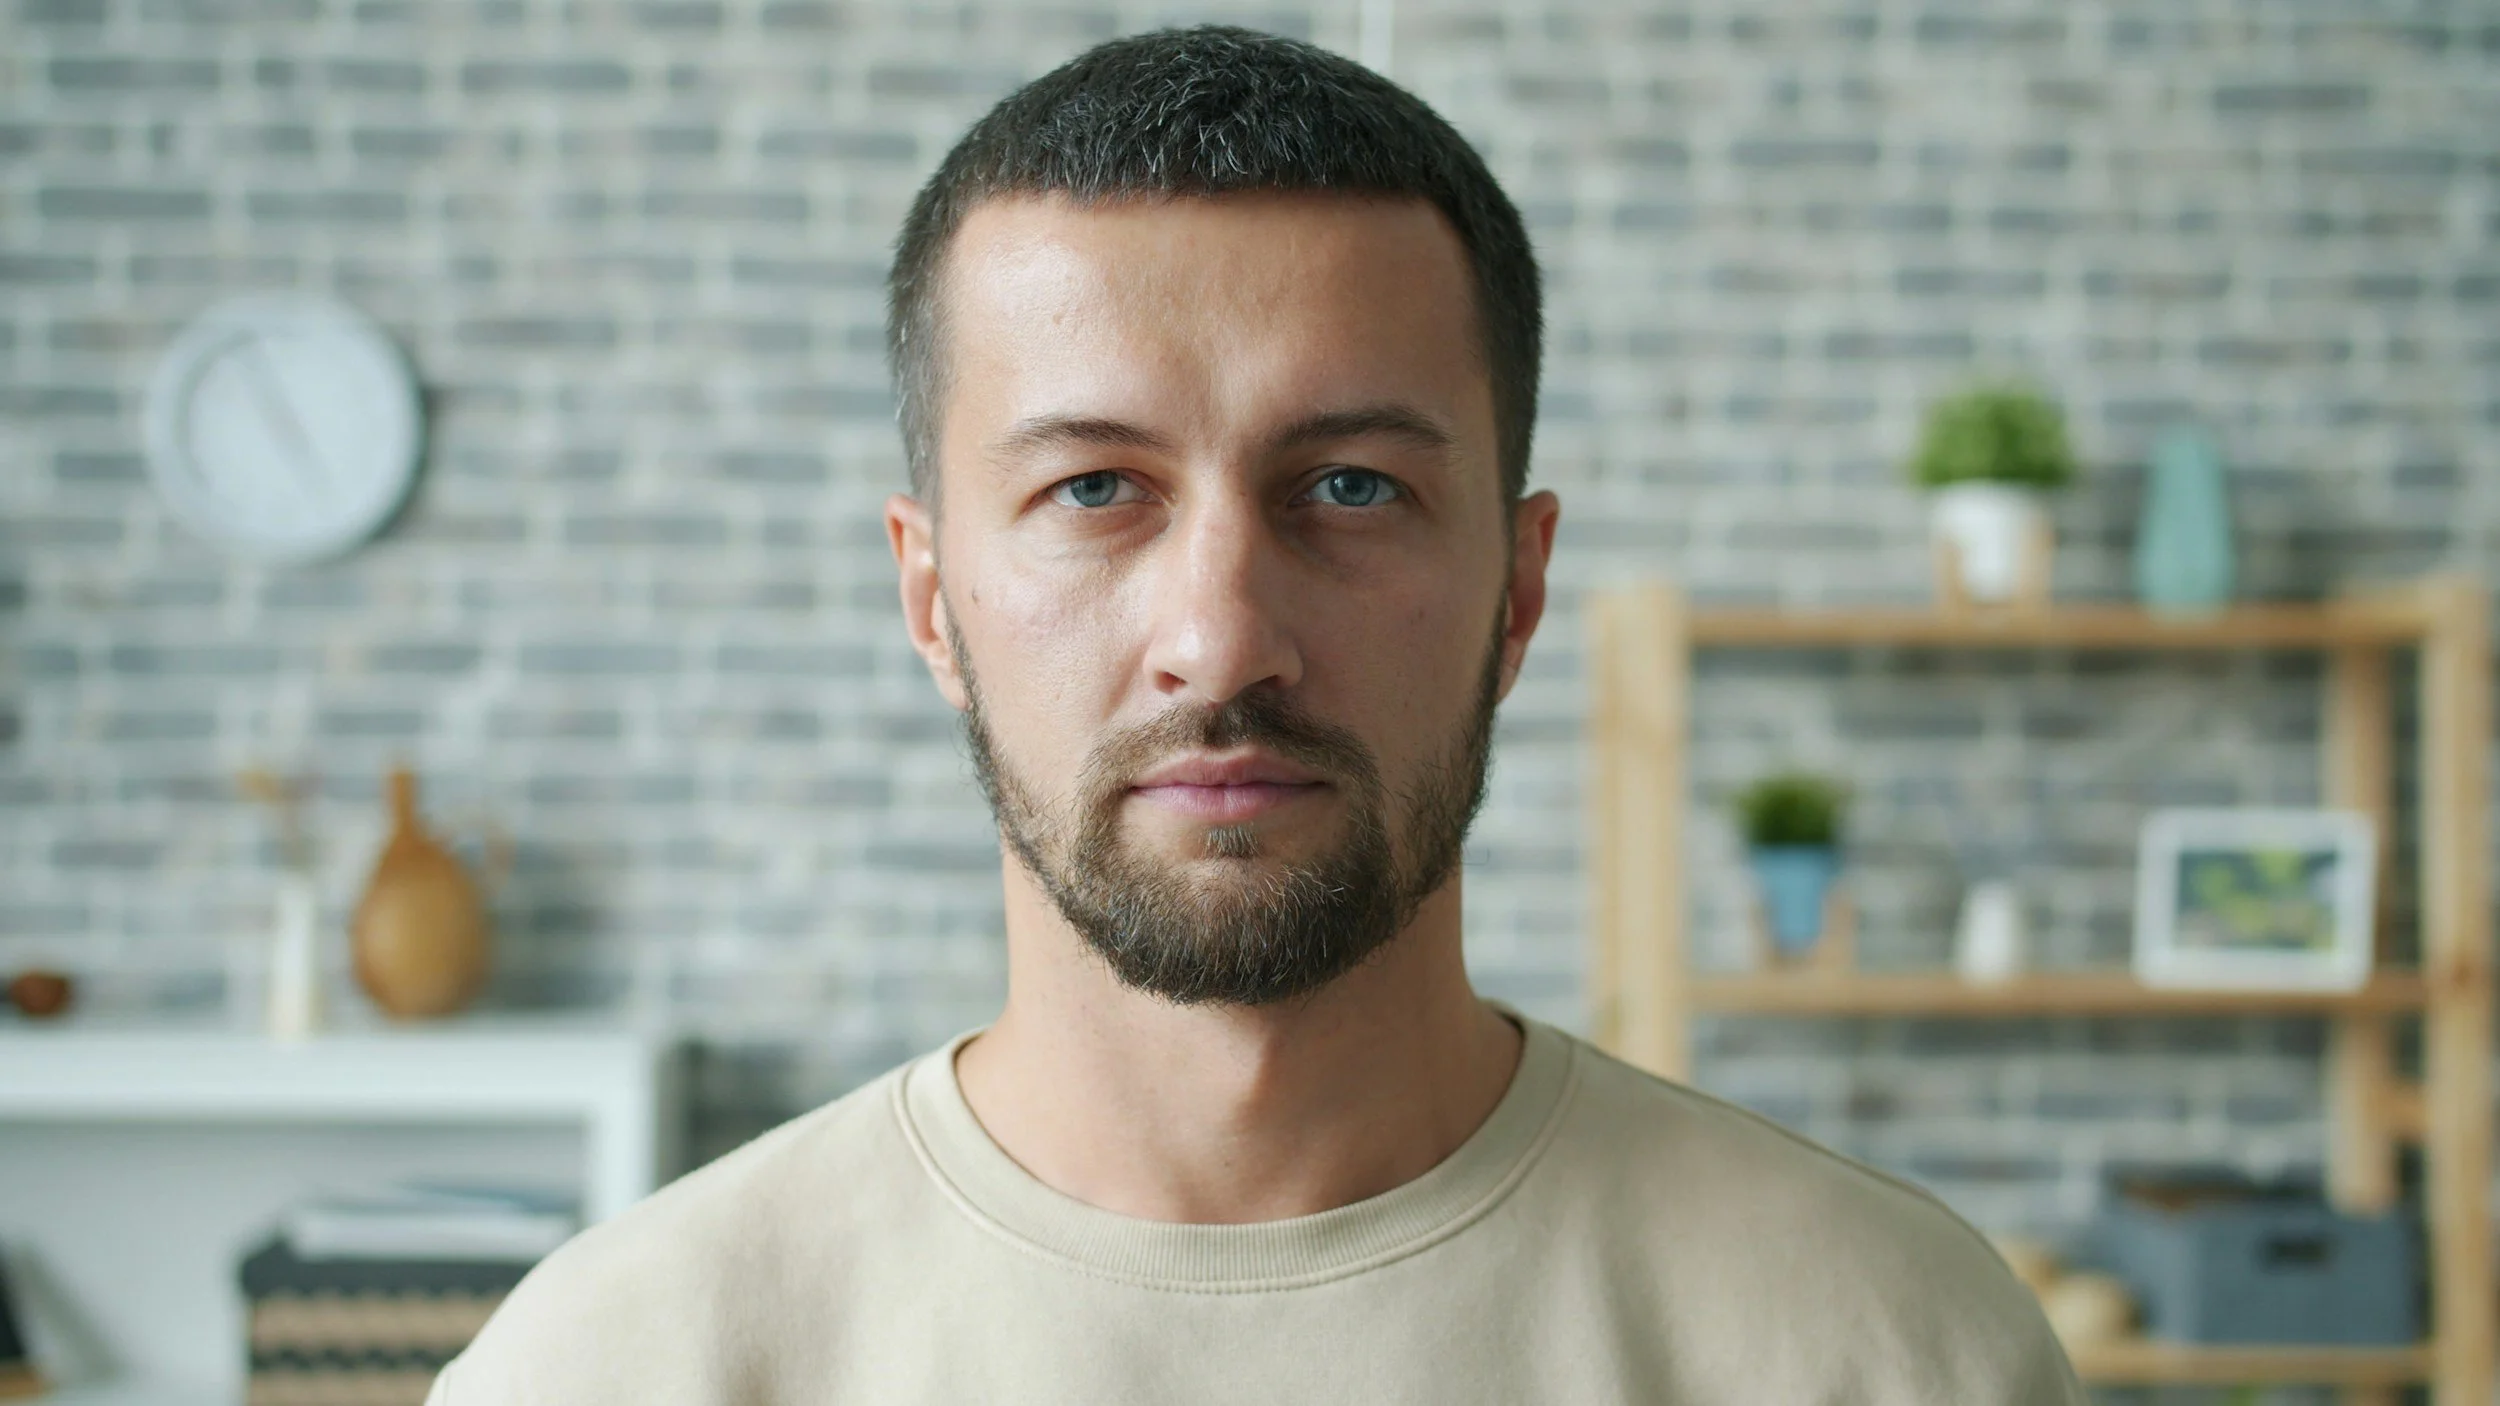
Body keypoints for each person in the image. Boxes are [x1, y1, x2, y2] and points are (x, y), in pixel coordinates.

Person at [429, 26, 2085, 1404]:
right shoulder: (616, 1366)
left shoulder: (1892, 1350)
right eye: (1095, 489)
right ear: (932, 599)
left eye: (1350, 486)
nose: (1220, 639)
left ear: (1517, 588)